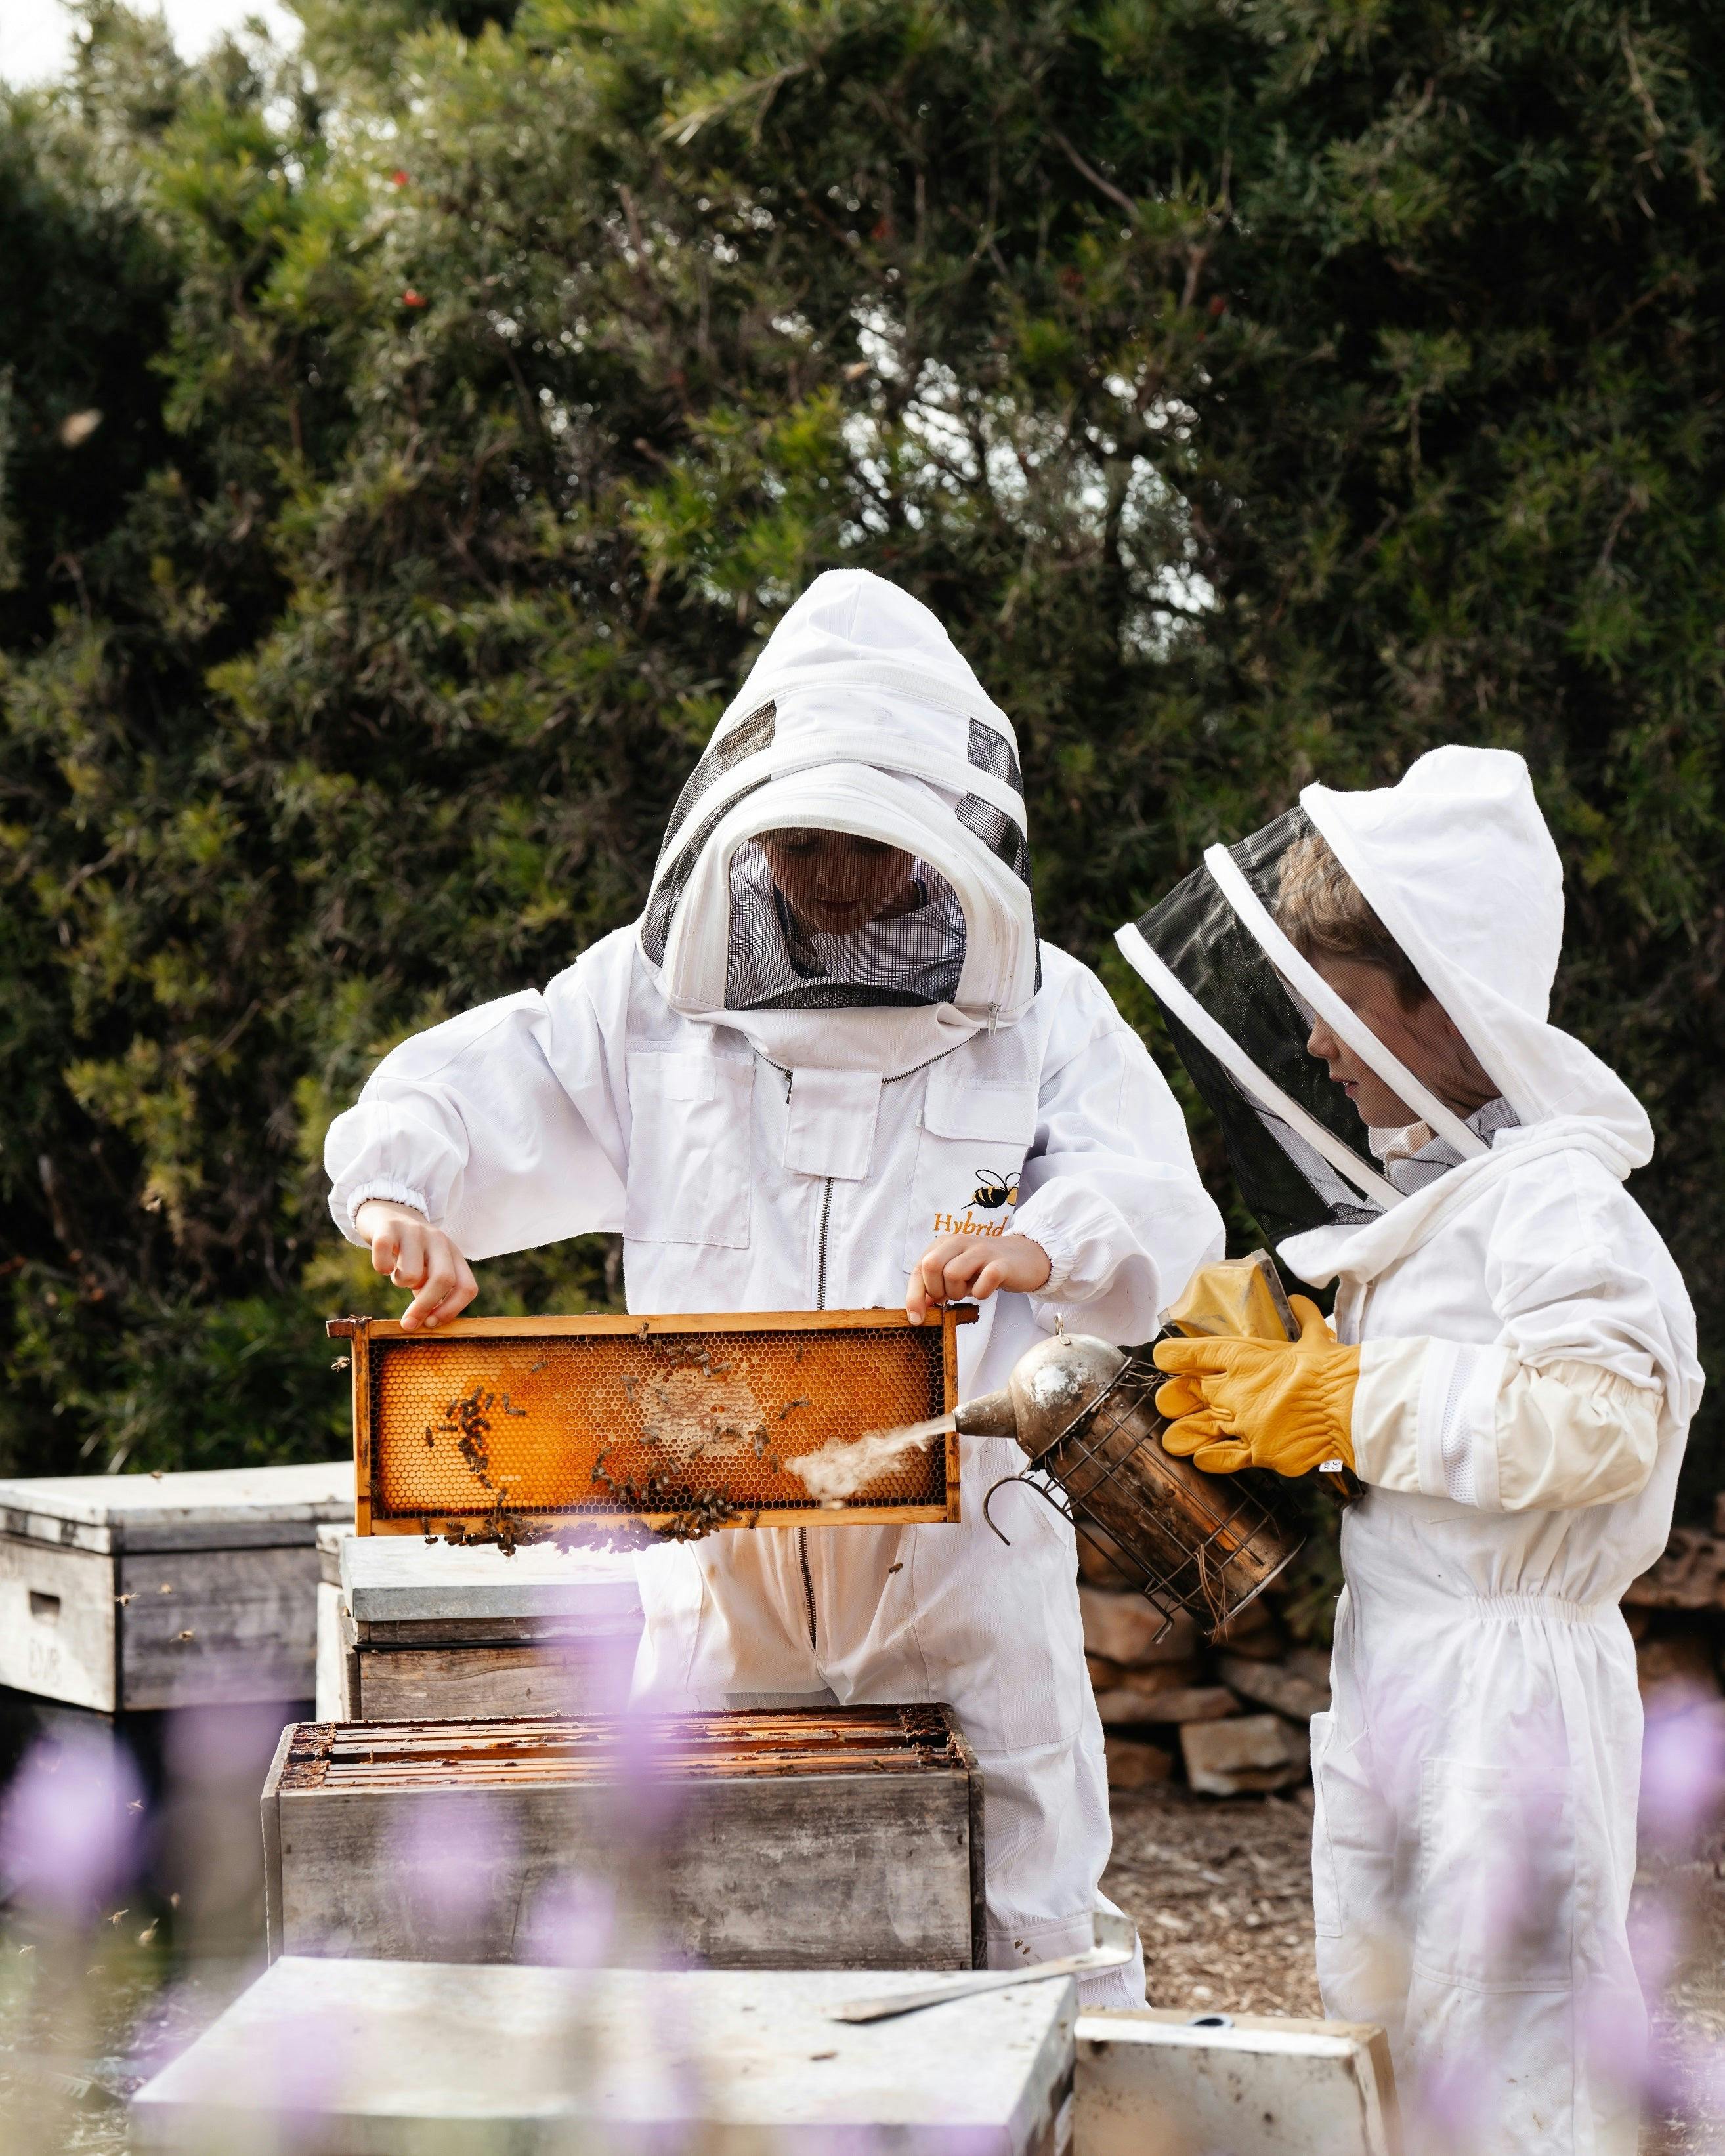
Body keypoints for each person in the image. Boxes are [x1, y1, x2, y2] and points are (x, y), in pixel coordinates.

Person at [324, 567, 1225, 2003]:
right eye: (798, 840)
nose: (830, 875)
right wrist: (400, 1195)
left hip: (957, 1573)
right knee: (707, 1940)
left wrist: (1041, 1238)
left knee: (1019, 1927)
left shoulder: (1039, 1011)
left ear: (945, 835)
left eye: (863, 843)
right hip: (716, 1574)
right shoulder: (654, 1006)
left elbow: (1164, 1209)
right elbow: (469, 1082)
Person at [1117, 744, 1703, 2154]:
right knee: (1386, 2025)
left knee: (1517, 2052)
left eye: (1340, 1008)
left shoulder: (1559, 1196)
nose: (1315, 1045)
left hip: (1512, 1693)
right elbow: (1456, 1425)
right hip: (1407, 1661)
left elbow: (1612, 1419)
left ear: (1438, 1004)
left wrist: (1349, 1402)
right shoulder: (1450, 1197)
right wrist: (1296, 1400)